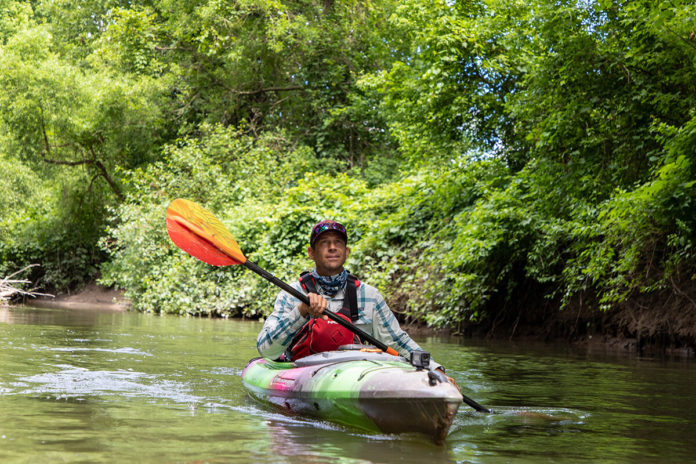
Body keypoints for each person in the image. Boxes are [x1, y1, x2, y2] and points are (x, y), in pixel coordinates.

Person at [256, 220, 443, 371]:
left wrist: (435, 369)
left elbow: (398, 341)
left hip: (354, 375)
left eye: (338, 243)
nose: (332, 247)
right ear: (311, 253)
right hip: (303, 373)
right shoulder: (292, 294)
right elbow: (267, 350)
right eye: (324, 243)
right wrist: (301, 311)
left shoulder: (369, 296)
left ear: (346, 252)